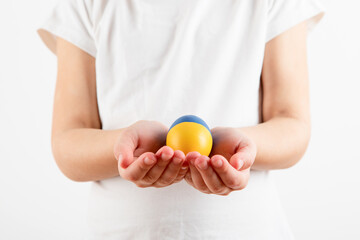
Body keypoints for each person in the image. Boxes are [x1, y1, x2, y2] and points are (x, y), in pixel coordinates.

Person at [37, 0, 325, 239]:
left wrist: (240, 150)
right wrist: (127, 148)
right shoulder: (84, 4)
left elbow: (292, 122)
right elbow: (68, 142)